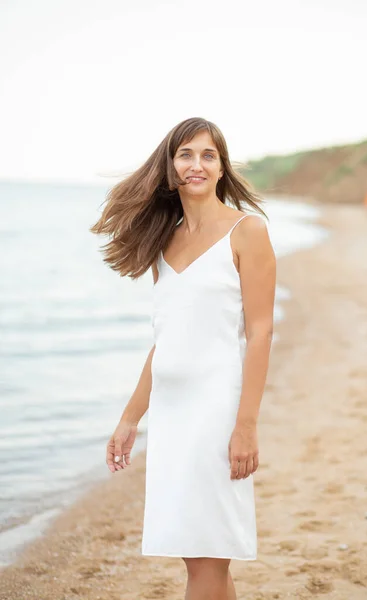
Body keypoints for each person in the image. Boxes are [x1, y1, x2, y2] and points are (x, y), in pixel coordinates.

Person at [90, 117, 276, 600]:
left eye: (207, 155)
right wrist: (131, 419)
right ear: (170, 166)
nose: (196, 164)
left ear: (221, 167)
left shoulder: (246, 231)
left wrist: (246, 425)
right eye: (185, 154)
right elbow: (166, 341)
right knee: (203, 558)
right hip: (172, 418)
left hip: (217, 414)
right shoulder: (164, 243)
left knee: (206, 560)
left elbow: (260, 333)